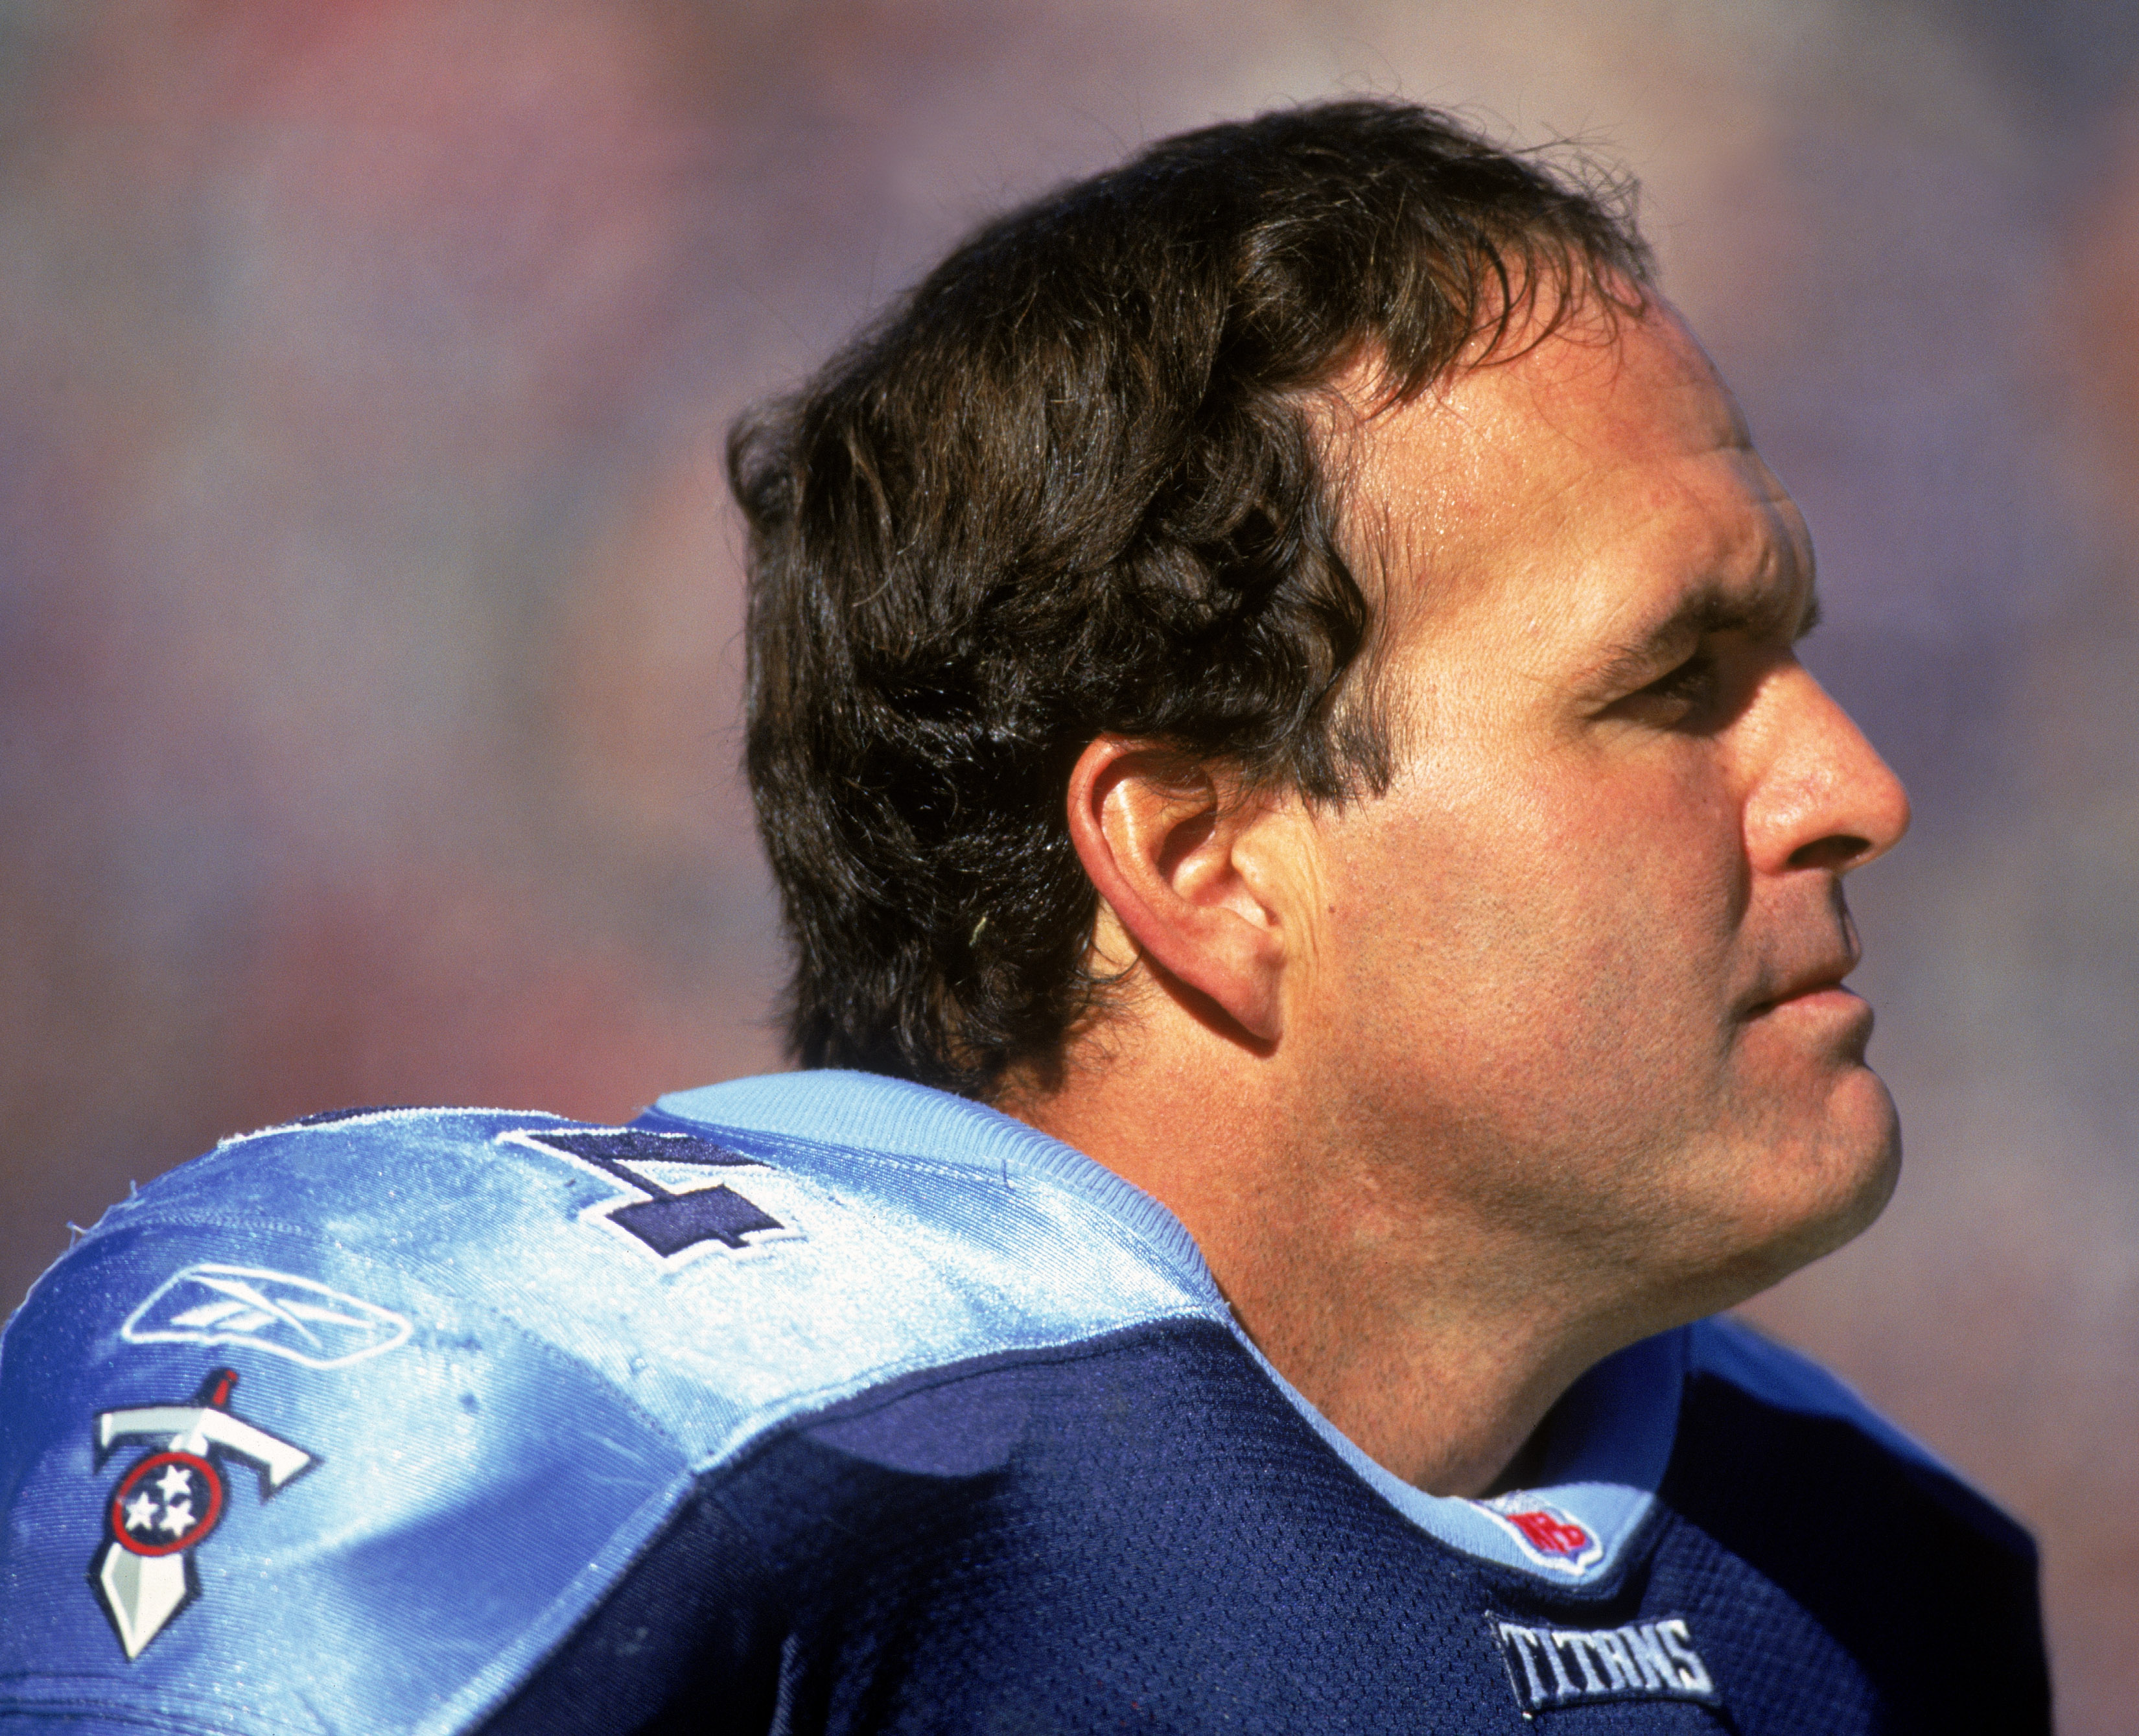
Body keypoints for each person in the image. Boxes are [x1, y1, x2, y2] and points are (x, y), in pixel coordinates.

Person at [0, 99, 2047, 1733]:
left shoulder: (1857, 1562)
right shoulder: (597, 1415)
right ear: (1198, 857)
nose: (1850, 788)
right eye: (1667, 687)